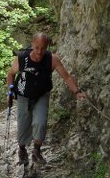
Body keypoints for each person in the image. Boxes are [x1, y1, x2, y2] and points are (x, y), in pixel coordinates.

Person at [6, 33, 86, 166]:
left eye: (43, 48)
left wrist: (77, 92)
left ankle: (36, 151)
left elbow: (66, 77)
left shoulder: (52, 59)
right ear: (32, 45)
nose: (39, 51)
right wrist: (10, 89)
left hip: (42, 95)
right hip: (23, 95)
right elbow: (11, 74)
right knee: (23, 123)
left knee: (41, 122)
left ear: (47, 46)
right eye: (36, 47)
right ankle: (22, 150)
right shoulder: (21, 58)